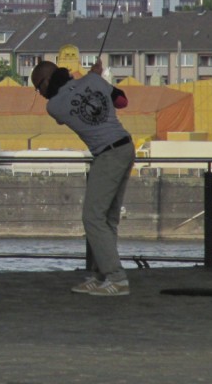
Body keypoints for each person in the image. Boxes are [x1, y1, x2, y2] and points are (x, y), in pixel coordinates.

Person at [31, 57, 134, 297]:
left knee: (92, 217)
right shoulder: (94, 80)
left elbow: (66, 99)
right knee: (108, 218)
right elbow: (122, 101)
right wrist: (96, 79)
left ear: (47, 81)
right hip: (125, 146)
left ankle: (116, 278)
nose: (41, 93)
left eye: (39, 87)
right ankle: (102, 276)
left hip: (107, 154)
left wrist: (90, 78)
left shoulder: (53, 107)